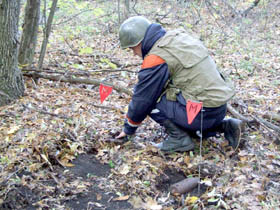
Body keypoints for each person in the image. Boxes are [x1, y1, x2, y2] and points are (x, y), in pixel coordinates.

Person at [116, 16, 242, 152]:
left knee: (151, 98)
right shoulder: (177, 37)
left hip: (200, 115)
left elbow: (143, 98)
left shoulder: (156, 57)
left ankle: (179, 139)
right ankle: (224, 126)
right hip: (219, 109)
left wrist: (129, 128)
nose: (134, 53)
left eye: (132, 48)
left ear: (139, 42)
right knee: (169, 93)